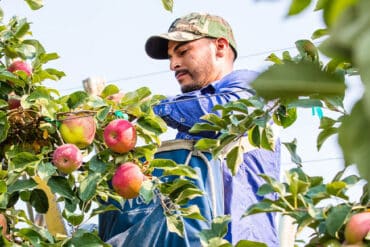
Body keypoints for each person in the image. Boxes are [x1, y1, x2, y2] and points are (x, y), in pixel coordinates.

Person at [99, 12, 280, 247]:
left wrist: (148, 107)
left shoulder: (248, 86)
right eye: (171, 56)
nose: (173, 64)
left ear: (220, 47)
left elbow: (230, 111)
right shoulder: (187, 130)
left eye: (183, 52)